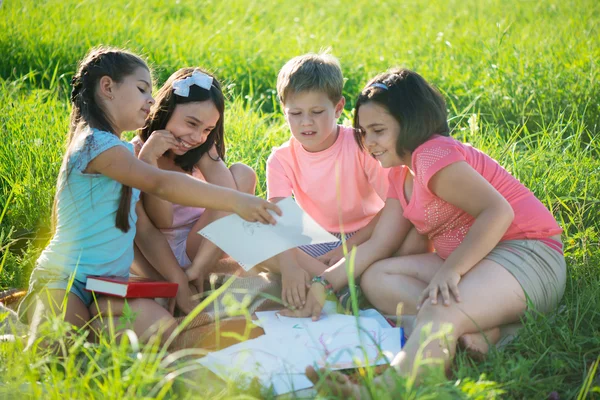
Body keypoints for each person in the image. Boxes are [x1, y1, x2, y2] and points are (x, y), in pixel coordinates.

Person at [286, 68, 566, 393]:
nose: (369, 142)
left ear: (410, 124)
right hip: (478, 262)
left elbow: (498, 211)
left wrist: (451, 271)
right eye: (363, 132)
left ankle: (379, 390)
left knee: (439, 303)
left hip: (528, 253)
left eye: (378, 130)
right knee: (376, 277)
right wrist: (323, 283)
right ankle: (483, 332)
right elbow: (378, 244)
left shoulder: (433, 154)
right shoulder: (398, 174)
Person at [17, 47, 281, 349]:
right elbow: (161, 183)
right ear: (108, 88)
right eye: (142, 89)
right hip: (63, 279)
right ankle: (50, 322)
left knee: (163, 332)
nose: (151, 100)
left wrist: (179, 283)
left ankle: (103, 325)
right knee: (55, 351)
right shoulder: (95, 145)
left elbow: (144, 230)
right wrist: (235, 201)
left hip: (109, 287)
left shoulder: (124, 153)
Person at [247, 52, 391, 309]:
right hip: (316, 240)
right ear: (284, 111)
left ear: (338, 108)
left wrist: (346, 248)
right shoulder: (280, 159)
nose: (306, 123)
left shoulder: (361, 144)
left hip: (365, 235)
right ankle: (342, 285)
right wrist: (290, 263)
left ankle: (330, 282)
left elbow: (392, 204)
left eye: (316, 112)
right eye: (296, 113)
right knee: (253, 235)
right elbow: (279, 220)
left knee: (397, 238)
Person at [130, 68, 257, 315]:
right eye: (191, 123)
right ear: (165, 109)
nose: (198, 136)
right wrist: (149, 160)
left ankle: (199, 274)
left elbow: (229, 197)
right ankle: (192, 280)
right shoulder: (137, 151)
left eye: (208, 129)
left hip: (202, 249)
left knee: (243, 174)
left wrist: (199, 266)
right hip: (162, 253)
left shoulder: (201, 150)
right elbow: (162, 221)